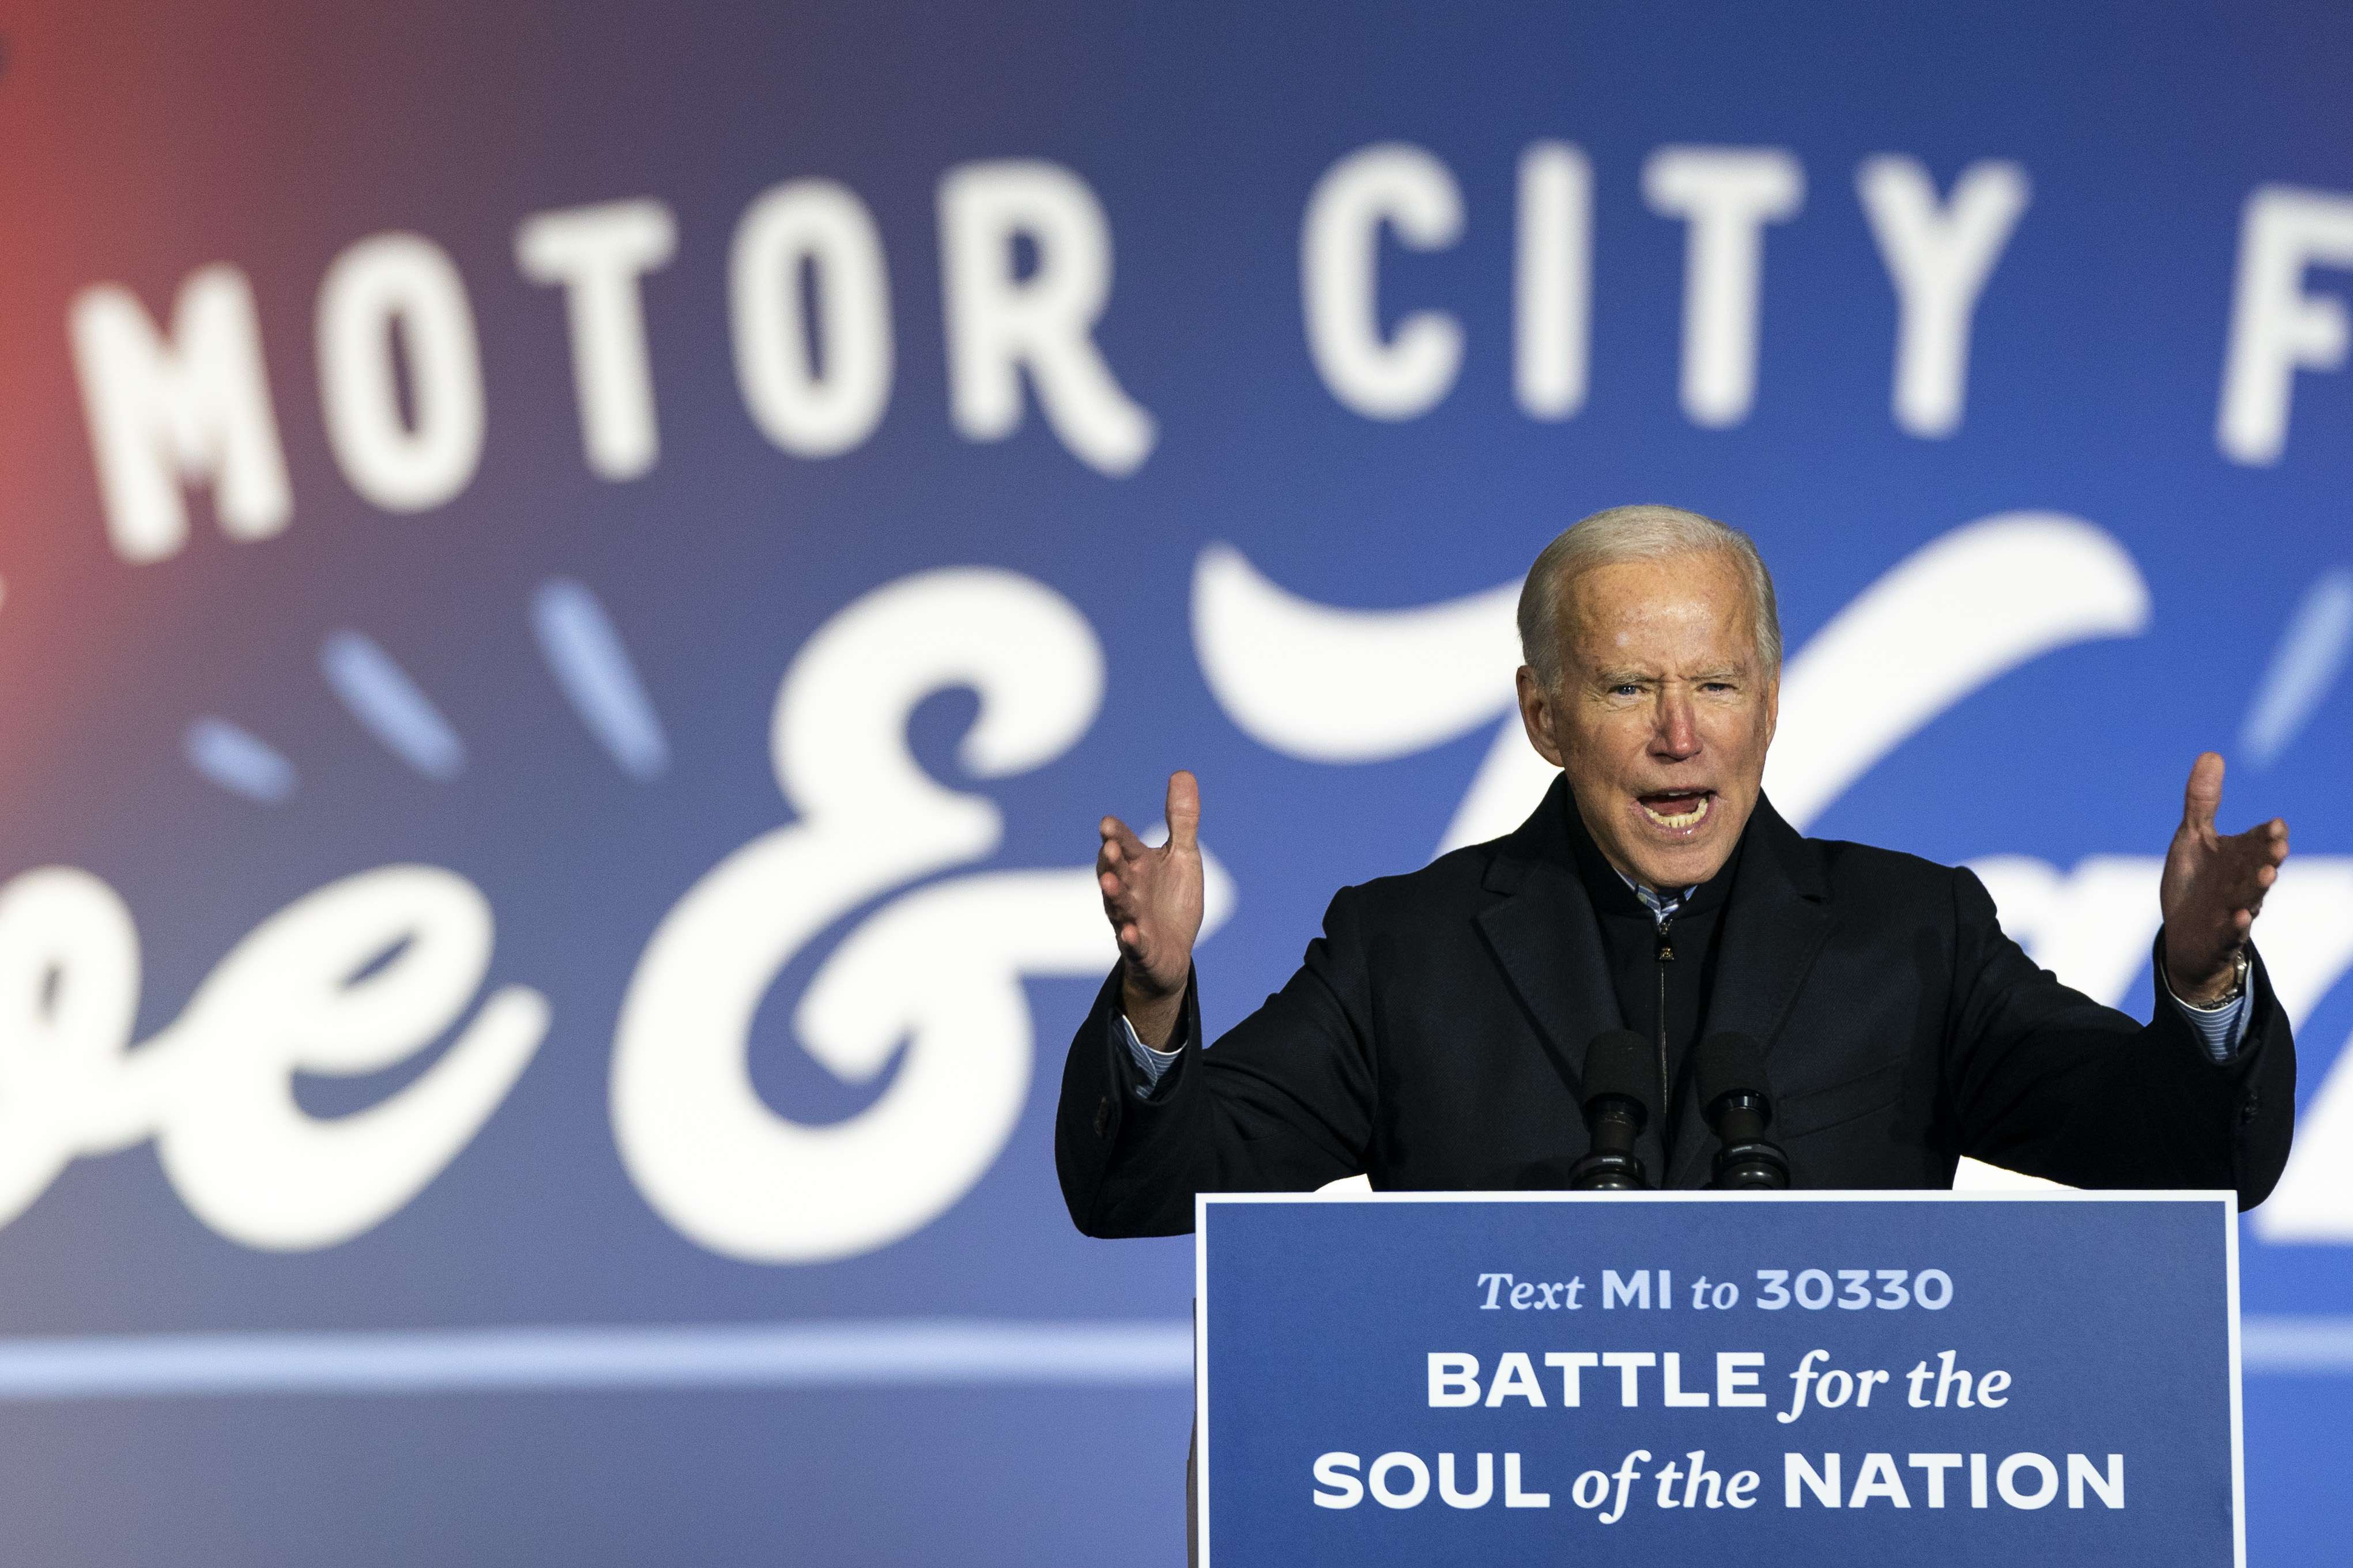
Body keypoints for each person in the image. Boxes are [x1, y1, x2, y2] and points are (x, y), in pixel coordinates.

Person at [1056, 504, 2296, 1235]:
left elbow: (2191, 1163)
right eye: (1625, 687)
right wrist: (1155, 1003)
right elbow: (1147, 1187)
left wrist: (2202, 984)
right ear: (1543, 715)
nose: (1679, 734)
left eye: (1715, 683)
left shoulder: (1913, 934)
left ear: (1770, 703)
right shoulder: (1407, 951)